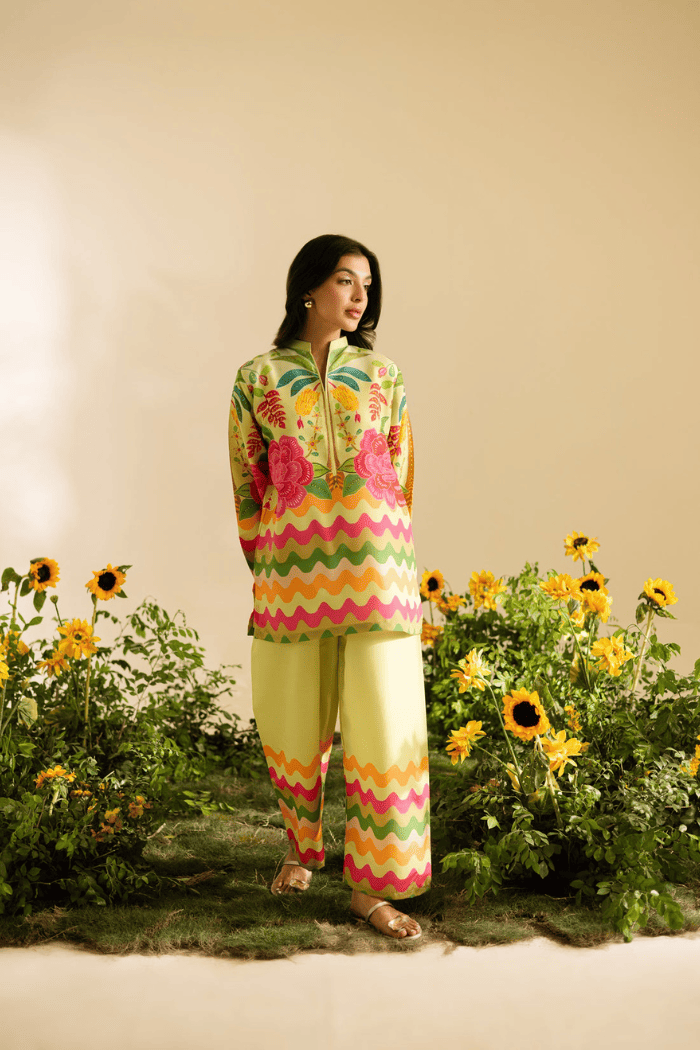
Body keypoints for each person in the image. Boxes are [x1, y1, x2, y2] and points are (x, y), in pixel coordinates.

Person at [228, 233, 430, 941]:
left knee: (384, 721)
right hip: (292, 571)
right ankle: (301, 849)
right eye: (346, 281)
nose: (358, 297)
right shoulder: (258, 377)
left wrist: (391, 552)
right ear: (308, 288)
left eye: (367, 286)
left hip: (376, 569)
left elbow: (400, 476)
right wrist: (266, 563)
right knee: (290, 715)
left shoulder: (384, 376)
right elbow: (247, 480)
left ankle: (371, 890)